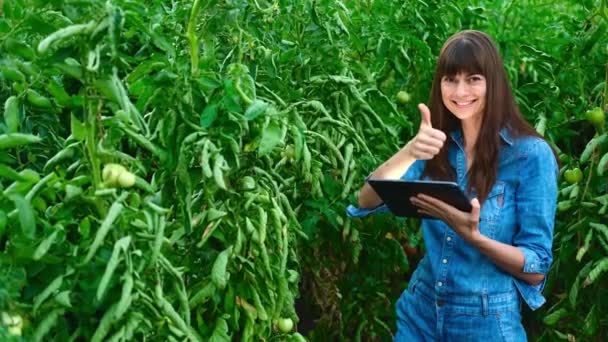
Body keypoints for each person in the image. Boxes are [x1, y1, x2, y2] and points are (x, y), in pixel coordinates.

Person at [346, 30, 559, 341]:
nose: (460, 91)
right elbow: (365, 201)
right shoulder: (438, 146)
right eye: (450, 79)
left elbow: (536, 266)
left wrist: (472, 236)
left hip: (486, 322)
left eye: (473, 79)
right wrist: (410, 151)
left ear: (493, 83)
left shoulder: (529, 155)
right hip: (420, 314)